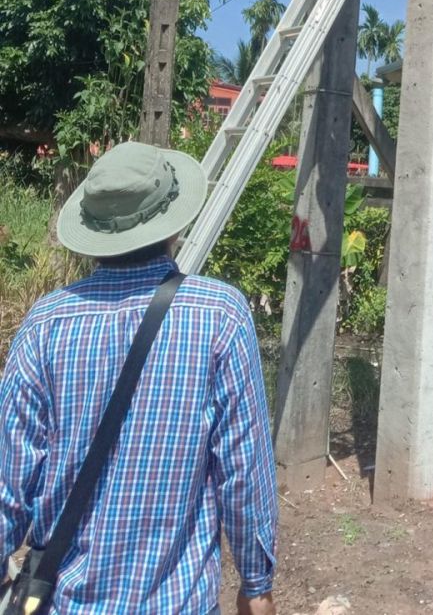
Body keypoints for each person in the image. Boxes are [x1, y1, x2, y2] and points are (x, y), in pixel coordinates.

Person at [0, 142, 278, 615]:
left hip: (63, 602)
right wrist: (255, 583)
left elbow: (8, 482)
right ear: (172, 224)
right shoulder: (220, 316)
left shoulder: (45, 324)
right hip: (177, 602)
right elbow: (243, 471)